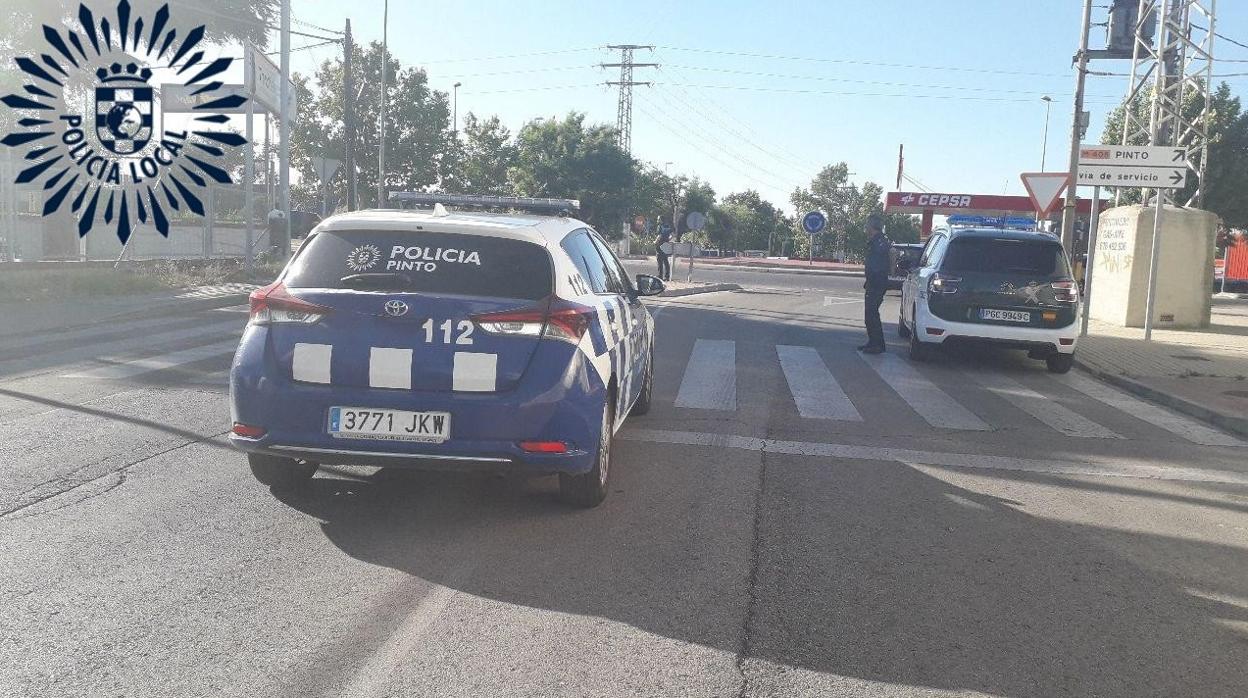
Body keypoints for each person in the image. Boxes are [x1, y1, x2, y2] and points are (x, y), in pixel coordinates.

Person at [859, 213, 891, 354]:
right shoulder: (877, 241)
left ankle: (877, 345)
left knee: (871, 314)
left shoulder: (879, 243)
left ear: (873, 227)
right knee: (870, 314)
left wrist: (873, 281)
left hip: (876, 283)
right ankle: (874, 342)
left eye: (867, 225)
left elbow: (878, 266)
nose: (866, 228)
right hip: (874, 283)